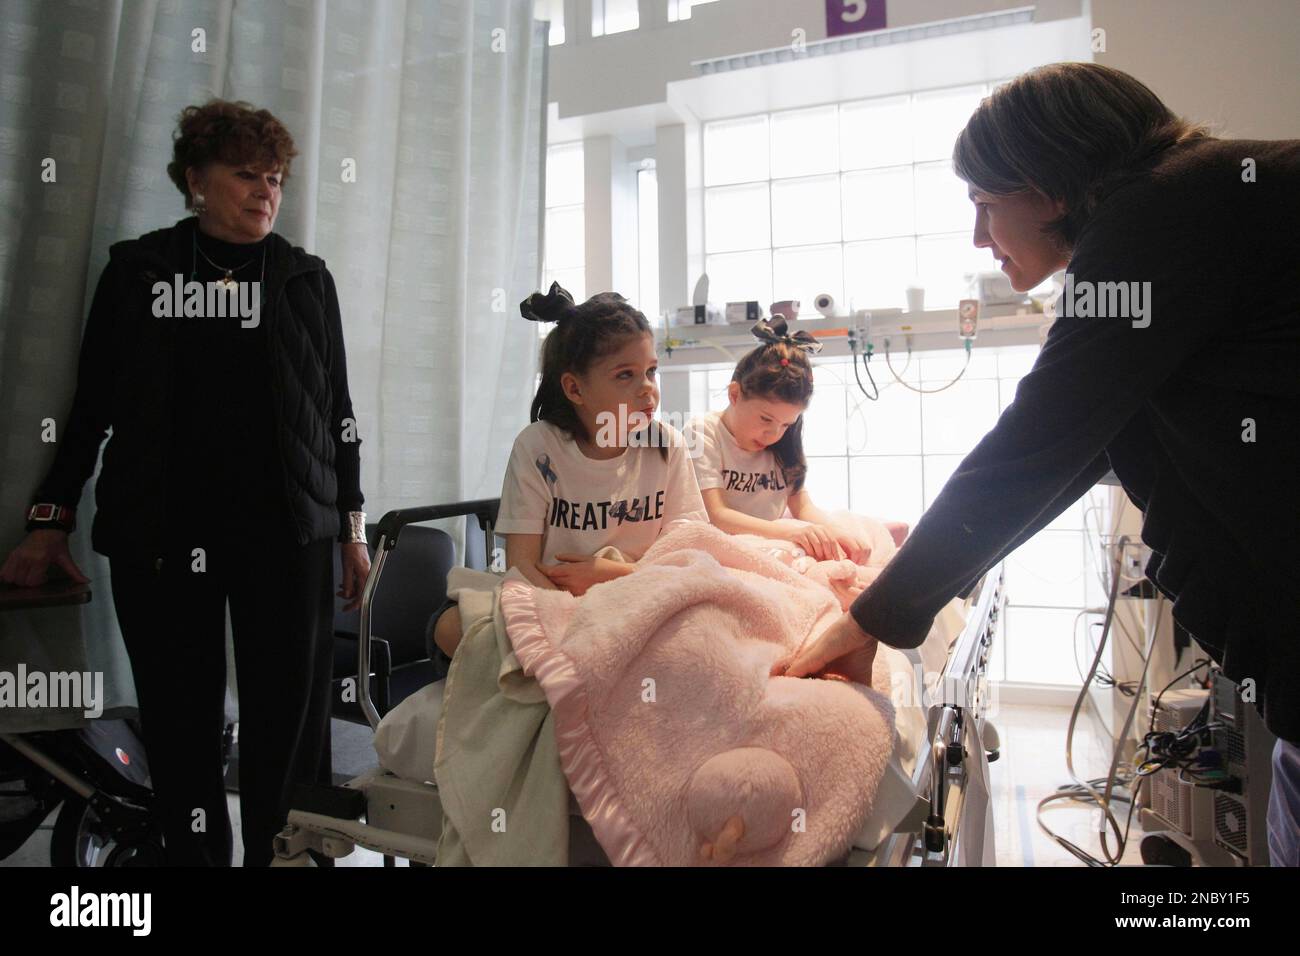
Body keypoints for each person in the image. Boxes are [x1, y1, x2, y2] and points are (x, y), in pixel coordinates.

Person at [773, 63, 1300, 864]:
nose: (980, 237)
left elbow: (1043, 438)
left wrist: (874, 616)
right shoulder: (1204, 203)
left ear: (1049, 188)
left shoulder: (1163, 211)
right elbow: (1078, 440)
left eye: (986, 204)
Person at [0, 99, 371, 866]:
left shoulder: (305, 280)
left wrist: (354, 528)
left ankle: (284, 858)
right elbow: (91, 408)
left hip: (288, 536)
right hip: (162, 538)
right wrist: (50, 517)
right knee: (180, 725)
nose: (266, 192)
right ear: (196, 180)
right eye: (246, 175)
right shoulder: (139, 273)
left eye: (275, 178)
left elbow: (338, 414)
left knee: (286, 726)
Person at [432, 282, 707, 658]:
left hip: (641, 592)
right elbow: (522, 564)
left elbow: (689, 557)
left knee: (705, 628)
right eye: (625, 375)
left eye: (651, 371)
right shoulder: (538, 447)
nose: (648, 390)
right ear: (575, 389)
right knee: (449, 628)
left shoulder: (667, 445)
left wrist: (616, 578)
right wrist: (572, 616)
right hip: (549, 596)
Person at [683, 318, 906, 562]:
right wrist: (786, 530)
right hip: (725, 546)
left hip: (773, 543)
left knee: (858, 535)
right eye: (766, 419)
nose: (774, 434)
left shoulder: (782, 441)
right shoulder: (702, 432)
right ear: (734, 394)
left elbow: (802, 506)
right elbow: (716, 515)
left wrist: (837, 533)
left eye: (786, 424)